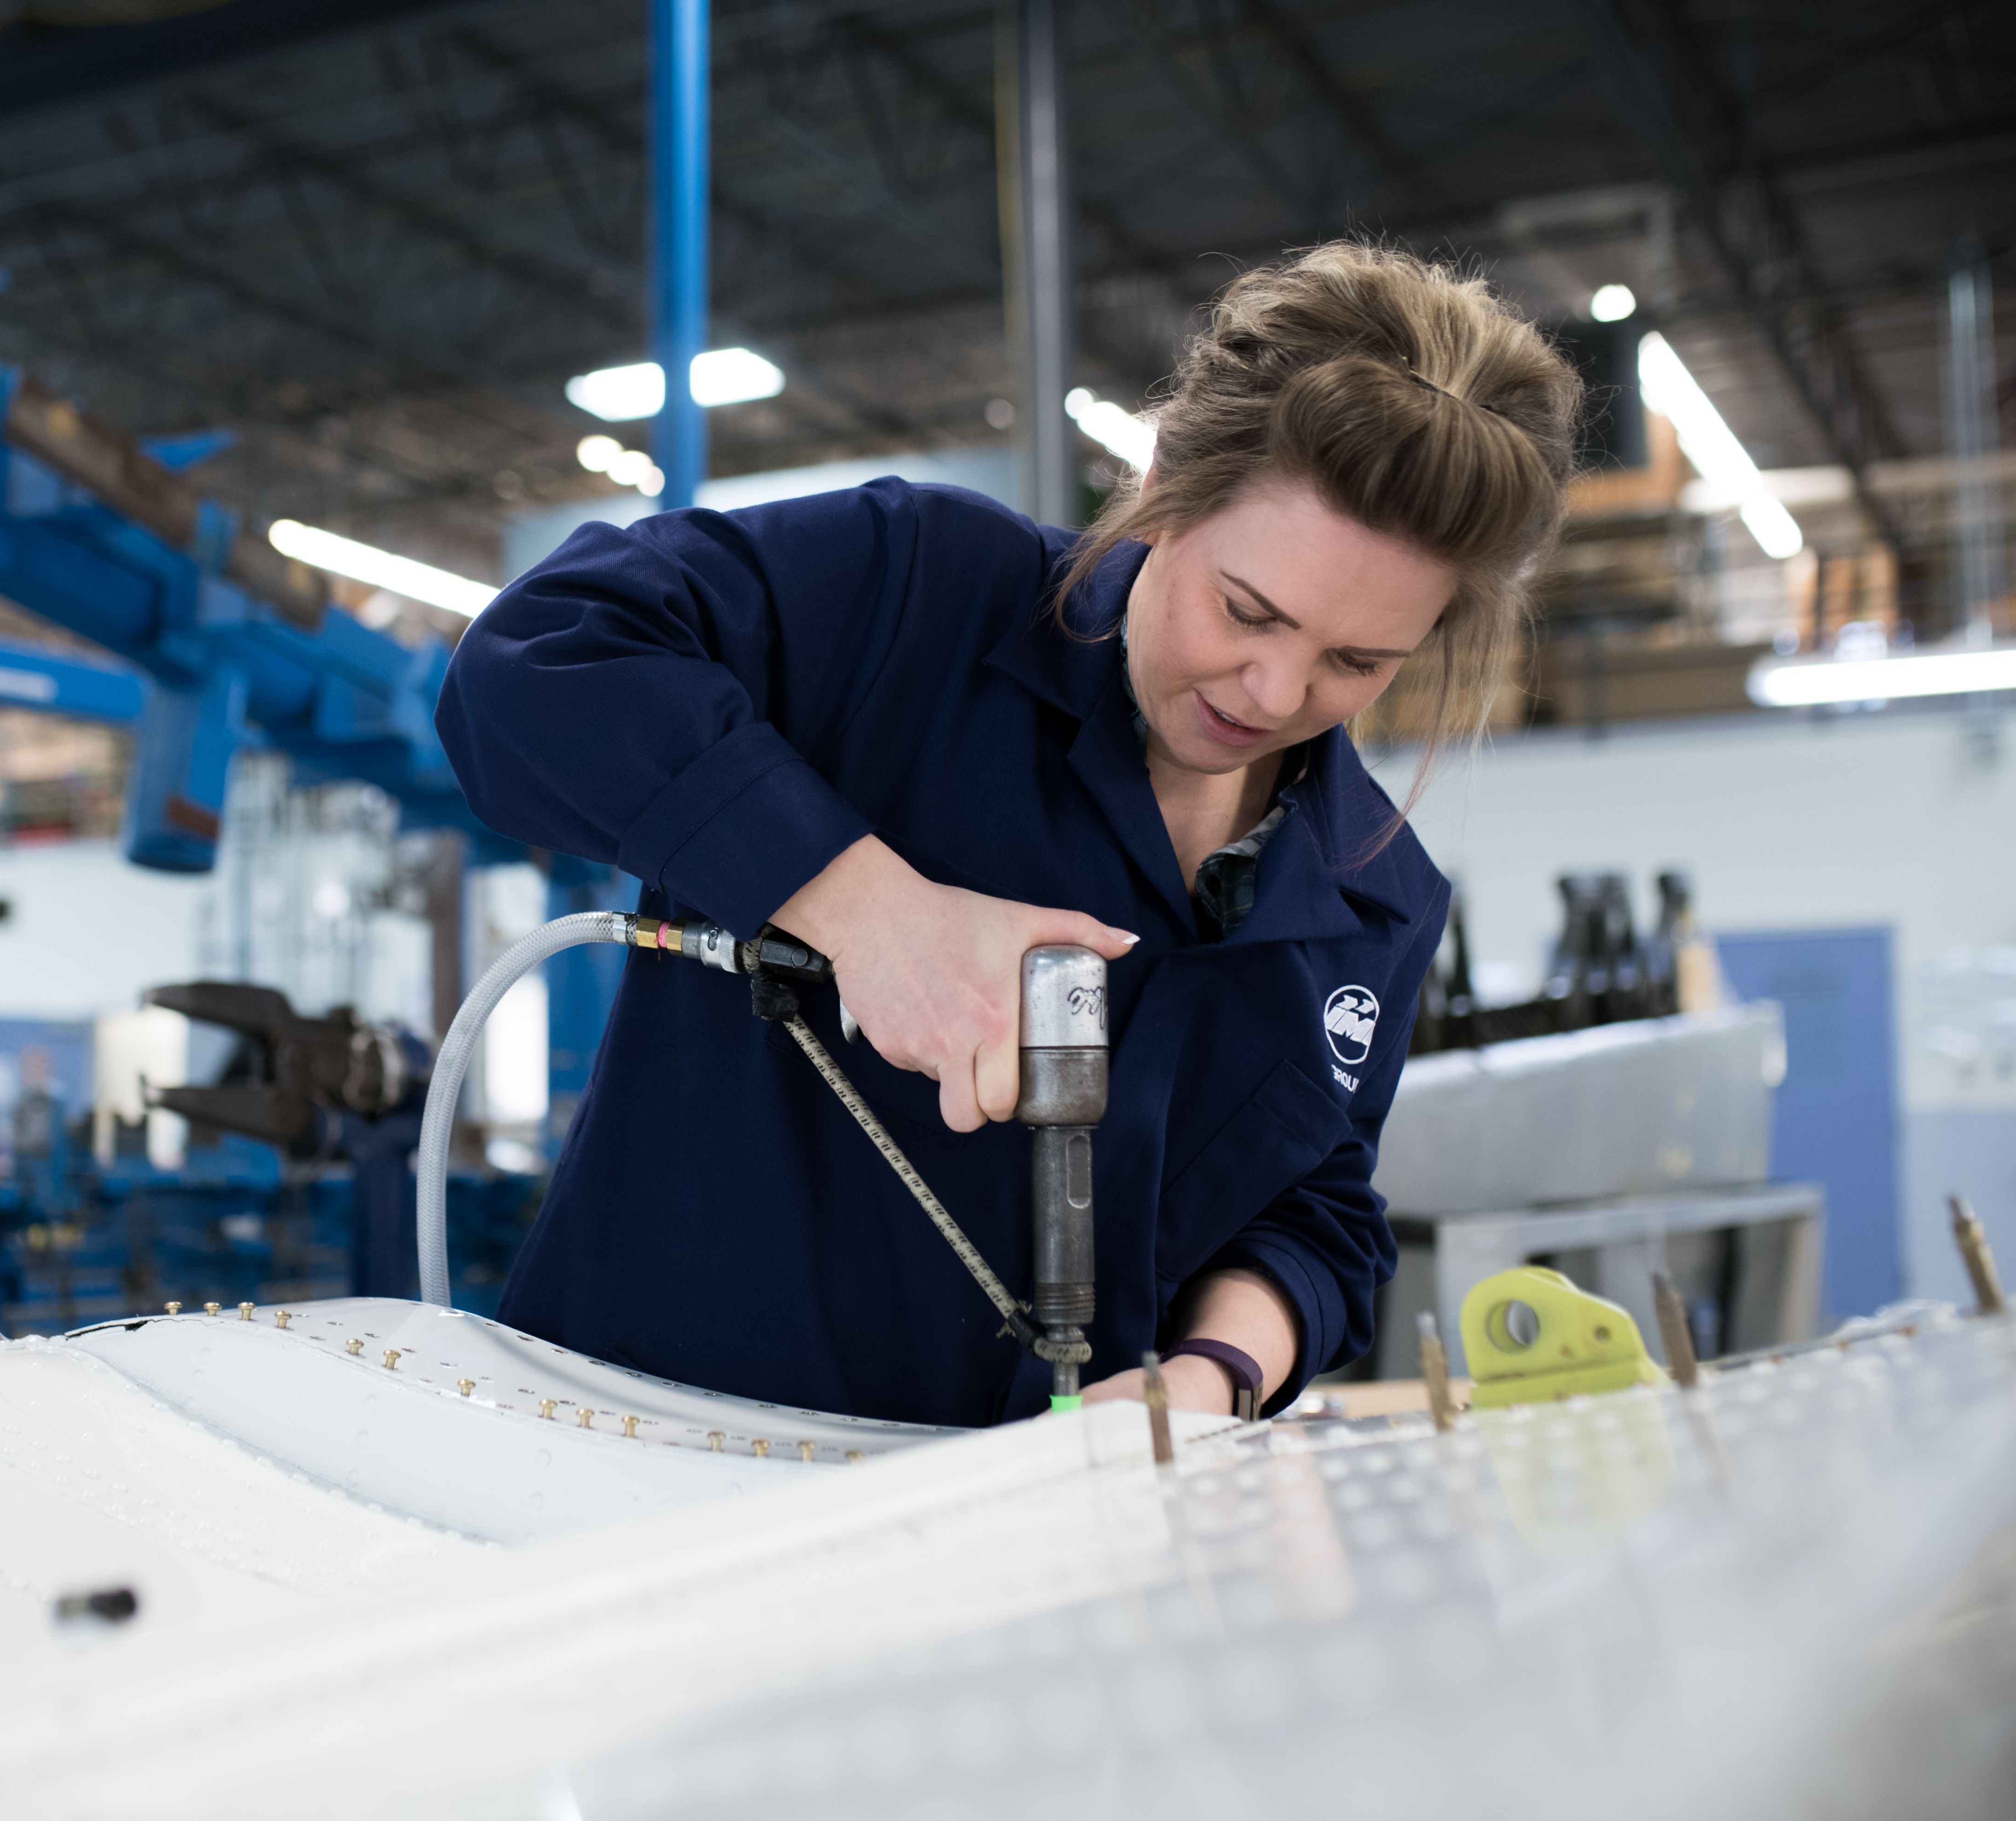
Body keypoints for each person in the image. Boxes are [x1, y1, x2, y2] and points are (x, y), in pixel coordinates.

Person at [436, 243, 1583, 1427]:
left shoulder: (1377, 904)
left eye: (1357, 661)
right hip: (635, 1460)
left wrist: (1211, 1379)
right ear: (1162, 488)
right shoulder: (913, 595)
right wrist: (867, 909)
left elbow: (1318, 1212)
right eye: (1245, 610)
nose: (1274, 690)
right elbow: (540, 657)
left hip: (1037, 1532)